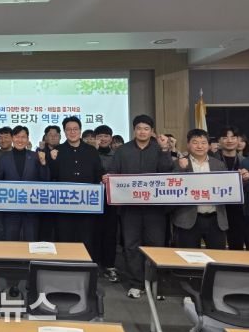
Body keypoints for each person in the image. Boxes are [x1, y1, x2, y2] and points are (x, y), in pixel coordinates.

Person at [107, 115, 173, 299]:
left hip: (155, 209)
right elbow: (114, 172)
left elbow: (168, 172)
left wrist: (165, 150)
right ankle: (136, 283)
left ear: (152, 131)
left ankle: (155, 284)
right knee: (131, 245)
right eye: (139, 128)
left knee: (156, 245)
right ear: (134, 130)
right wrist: (109, 178)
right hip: (130, 208)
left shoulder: (159, 149)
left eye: (146, 128)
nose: (142, 132)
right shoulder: (123, 150)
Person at [48, 117, 104, 259]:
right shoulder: (57, 151)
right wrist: (52, 161)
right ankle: (65, 268)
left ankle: (86, 267)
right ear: (64, 132)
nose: (72, 132)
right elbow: (51, 177)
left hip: (87, 206)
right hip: (64, 206)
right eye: (68, 129)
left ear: (80, 130)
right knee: (64, 238)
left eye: (75, 129)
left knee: (87, 239)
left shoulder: (91, 151)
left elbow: (98, 174)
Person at [172, 129, 229, 249]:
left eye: (203, 143)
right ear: (188, 144)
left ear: (208, 145)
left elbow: (227, 189)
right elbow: (171, 188)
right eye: (195, 142)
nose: (199, 146)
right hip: (187, 219)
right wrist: (181, 169)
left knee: (217, 257)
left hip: (215, 219)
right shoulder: (178, 163)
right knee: (188, 258)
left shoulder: (219, 165)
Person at [0, 126, 49, 241]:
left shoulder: (35, 156)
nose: (20, 140)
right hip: (10, 211)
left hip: (31, 211)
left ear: (28, 139)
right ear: (12, 138)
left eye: (23, 137)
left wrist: (43, 163)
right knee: (11, 245)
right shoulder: (4, 159)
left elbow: (45, 180)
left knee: (31, 243)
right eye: (17, 137)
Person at [93, 124, 119, 282]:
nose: (103, 139)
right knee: (94, 232)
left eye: (106, 136)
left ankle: (110, 265)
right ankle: (94, 263)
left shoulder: (117, 154)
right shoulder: (90, 153)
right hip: (92, 200)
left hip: (111, 200)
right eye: (99, 136)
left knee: (110, 233)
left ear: (111, 138)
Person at [215, 125, 246, 250]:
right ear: (219, 141)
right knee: (217, 247)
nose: (229, 140)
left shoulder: (246, 161)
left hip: (239, 209)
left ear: (238, 140)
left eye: (233, 137)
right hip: (218, 208)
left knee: (237, 245)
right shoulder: (210, 160)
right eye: (225, 137)